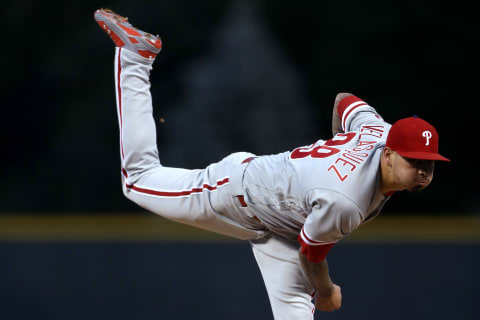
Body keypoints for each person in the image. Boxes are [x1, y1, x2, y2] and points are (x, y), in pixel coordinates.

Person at [94, 9, 450, 319]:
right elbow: (312, 258)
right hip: (239, 193)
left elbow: (347, 102)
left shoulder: (378, 130)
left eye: (429, 164)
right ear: (388, 153)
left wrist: (341, 149)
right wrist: (325, 292)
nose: (422, 171)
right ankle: (136, 59)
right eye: (414, 161)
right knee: (139, 180)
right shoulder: (345, 200)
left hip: (285, 225)